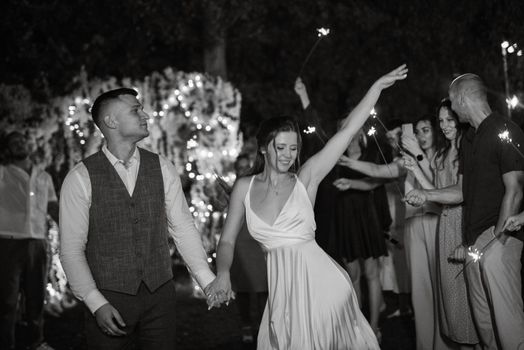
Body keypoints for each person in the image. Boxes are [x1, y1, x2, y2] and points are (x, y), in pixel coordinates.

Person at [206, 65, 408, 349]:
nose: (289, 155)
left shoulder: (306, 178)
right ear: (264, 148)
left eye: (293, 148)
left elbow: (348, 130)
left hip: (324, 290)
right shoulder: (244, 187)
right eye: (281, 147)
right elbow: (226, 241)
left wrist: (375, 88)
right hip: (282, 296)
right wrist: (223, 272)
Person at [59, 88, 216, 349]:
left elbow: (182, 228)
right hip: (109, 296)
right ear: (111, 121)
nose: (145, 115)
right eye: (135, 110)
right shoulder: (80, 178)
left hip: (160, 297)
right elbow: (71, 250)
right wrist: (95, 302)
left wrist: (206, 279)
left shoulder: (163, 167)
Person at [405, 74, 524, 350]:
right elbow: (462, 191)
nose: (451, 112)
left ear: (461, 99)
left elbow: (516, 188)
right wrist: (426, 194)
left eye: (453, 104)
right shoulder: (470, 139)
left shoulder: (506, 130)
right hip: (474, 244)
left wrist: (496, 241)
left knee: (509, 328)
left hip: (499, 241)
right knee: (485, 329)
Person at [403, 99, 478, 348]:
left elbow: (459, 193)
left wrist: (426, 194)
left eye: (450, 120)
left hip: (463, 226)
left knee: (470, 306)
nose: (445, 125)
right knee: (452, 307)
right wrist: (416, 168)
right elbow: (437, 194)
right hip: (445, 229)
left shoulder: (469, 149)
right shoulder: (444, 153)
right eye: (442, 120)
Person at [0, 131, 58, 350]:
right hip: (8, 243)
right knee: (6, 301)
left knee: (36, 297)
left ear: (30, 145)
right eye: (14, 141)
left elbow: (52, 208)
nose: (19, 143)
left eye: (23, 139)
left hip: (38, 244)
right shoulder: (3, 173)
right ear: (8, 148)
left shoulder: (44, 177)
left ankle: (36, 342)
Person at [332, 127, 388, 340]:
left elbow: (377, 181)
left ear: (358, 133)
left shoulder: (370, 154)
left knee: (372, 273)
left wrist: (351, 183)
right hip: (345, 217)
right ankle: (358, 324)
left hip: (366, 216)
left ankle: (374, 327)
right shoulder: (337, 158)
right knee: (353, 274)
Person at [216, 154, 268, 344]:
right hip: (239, 242)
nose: (243, 170)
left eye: (247, 166)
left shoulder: (258, 184)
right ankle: (246, 326)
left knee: (264, 289)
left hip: (258, 242)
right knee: (244, 290)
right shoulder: (234, 189)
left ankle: (263, 329)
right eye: (240, 167)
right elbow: (222, 208)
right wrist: (224, 198)